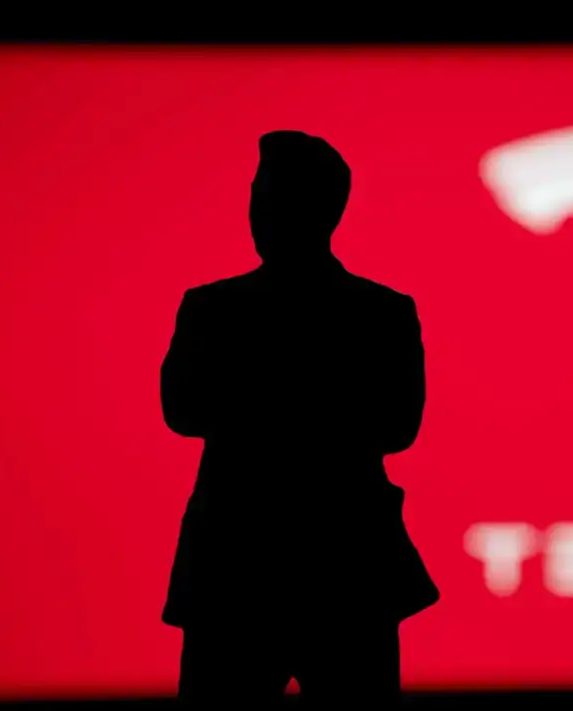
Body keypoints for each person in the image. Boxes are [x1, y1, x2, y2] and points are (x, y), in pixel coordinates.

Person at [159, 130, 439, 705]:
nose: (258, 214)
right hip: (333, 562)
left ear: (322, 210)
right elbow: (180, 410)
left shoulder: (216, 309)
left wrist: (256, 404)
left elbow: (399, 425)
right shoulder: (379, 312)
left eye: (272, 198)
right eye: (258, 196)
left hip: (256, 564)